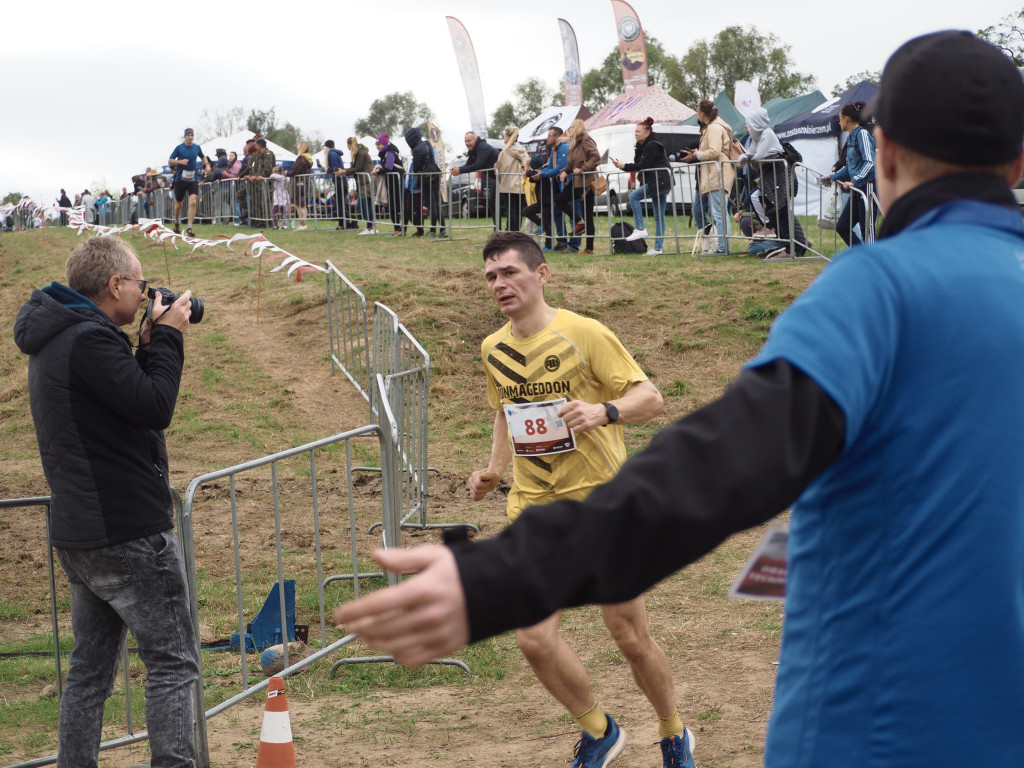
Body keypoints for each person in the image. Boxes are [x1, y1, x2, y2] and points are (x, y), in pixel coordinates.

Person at [335, 30, 1024, 768]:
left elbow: (718, 466)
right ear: (1017, 162)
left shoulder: (878, 292)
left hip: (882, 730)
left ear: (882, 153)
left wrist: (499, 575)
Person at [355, 230, 696, 768]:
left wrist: (604, 412)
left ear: (541, 274)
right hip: (534, 510)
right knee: (533, 640)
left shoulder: (585, 333)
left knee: (628, 635)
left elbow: (648, 397)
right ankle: (600, 731)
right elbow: (504, 410)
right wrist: (493, 470)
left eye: (510, 272)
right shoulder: (494, 348)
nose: (499, 284)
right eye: (491, 276)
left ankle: (672, 730)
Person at [13, 237, 199, 768]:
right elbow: (154, 406)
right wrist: (166, 339)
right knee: (173, 662)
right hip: (127, 530)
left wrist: (145, 344)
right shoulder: (90, 341)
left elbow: (122, 407)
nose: (145, 296)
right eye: (141, 285)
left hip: (83, 531)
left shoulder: (61, 337)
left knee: (90, 672)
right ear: (115, 284)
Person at [739, 109, 808, 259]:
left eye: (750, 123)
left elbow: (760, 157)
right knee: (757, 199)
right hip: (770, 178)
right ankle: (774, 230)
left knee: (780, 211)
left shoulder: (767, 134)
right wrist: (749, 154)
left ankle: (790, 247)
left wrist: (748, 157)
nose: (748, 127)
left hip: (780, 177)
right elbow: (755, 162)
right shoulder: (758, 138)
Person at [681, 100, 735, 254]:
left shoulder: (713, 128)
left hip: (717, 174)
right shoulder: (712, 127)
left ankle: (723, 247)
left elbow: (715, 152)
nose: (697, 114)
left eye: (698, 111)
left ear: (703, 113)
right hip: (715, 173)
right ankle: (723, 246)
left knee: (719, 213)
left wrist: (698, 154)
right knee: (719, 212)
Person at [613, 117, 671, 256]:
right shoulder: (643, 145)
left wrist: (624, 166)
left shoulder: (653, 145)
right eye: (635, 131)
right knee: (659, 217)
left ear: (647, 132)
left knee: (633, 196)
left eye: (638, 131)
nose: (636, 133)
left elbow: (644, 165)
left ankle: (640, 228)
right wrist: (638, 148)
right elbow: (638, 162)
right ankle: (658, 248)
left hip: (659, 181)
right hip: (658, 182)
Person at [826, 102, 876, 246]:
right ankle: (862, 258)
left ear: (847, 119)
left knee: (868, 232)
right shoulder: (850, 138)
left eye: (840, 118)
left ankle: (875, 265)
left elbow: (870, 163)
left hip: (867, 188)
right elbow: (849, 167)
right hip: (857, 189)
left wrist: (855, 181)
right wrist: (832, 177)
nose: (838, 121)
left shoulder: (863, 134)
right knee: (842, 227)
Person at [555, 118, 601, 255]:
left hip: (587, 182)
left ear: (579, 127)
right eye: (569, 127)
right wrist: (564, 171)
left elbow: (596, 157)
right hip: (576, 182)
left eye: (571, 127)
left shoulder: (586, 139)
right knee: (559, 200)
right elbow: (571, 165)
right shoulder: (574, 143)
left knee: (588, 215)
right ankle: (579, 222)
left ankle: (589, 248)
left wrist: (583, 169)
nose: (569, 129)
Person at [528, 127, 569, 251]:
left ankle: (573, 245)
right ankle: (562, 242)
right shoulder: (554, 150)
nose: (547, 138)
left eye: (549, 135)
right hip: (558, 185)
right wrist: (539, 172)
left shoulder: (564, 148)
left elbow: (559, 168)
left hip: (567, 184)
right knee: (557, 213)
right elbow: (551, 167)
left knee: (573, 216)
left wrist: (543, 174)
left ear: (556, 137)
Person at [168, 127, 209, 236]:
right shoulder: (179, 148)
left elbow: (203, 157)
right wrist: (180, 162)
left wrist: (207, 165)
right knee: (178, 204)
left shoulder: (197, 147)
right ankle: (176, 223)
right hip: (180, 180)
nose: (190, 137)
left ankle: (189, 228)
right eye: (188, 136)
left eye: (192, 135)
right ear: (185, 137)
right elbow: (170, 160)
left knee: (193, 201)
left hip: (193, 179)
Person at [404, 127, 444, 238]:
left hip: (426, 178)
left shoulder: (416, 149)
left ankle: (432, 231)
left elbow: (416, 168)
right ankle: (443, 230)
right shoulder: (427, 143)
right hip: (435, 173)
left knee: (432, 206)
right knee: (437, 204)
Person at [451, 131, 499, 222]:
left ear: (476, 140)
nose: (467, 143)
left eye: (469, 141)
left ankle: (507, 230)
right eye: (465, 141)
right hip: (498, 178)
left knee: (508, 205)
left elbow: (478, 165)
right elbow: (468, 164)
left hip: (505, 177)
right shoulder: (473, 150)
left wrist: (460, 170)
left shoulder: (482, 147)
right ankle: (498, 230)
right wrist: (457, 169)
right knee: (493, 204)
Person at [494, 126, 529, 232]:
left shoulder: (505, 151)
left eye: (505, 135)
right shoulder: (521, 150)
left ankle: (512, 232)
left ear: (509, 136)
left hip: (507, 184)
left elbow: (498, 167)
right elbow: (527, 162)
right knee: (516, 211)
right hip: (517, 184)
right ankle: (514, 231)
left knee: (512, 211)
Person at [238, 137, 276, 227]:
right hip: (258, 183)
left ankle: (266, 222)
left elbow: (268, 169)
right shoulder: (260, 155)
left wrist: (256, 176)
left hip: (266, 183)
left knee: (265, 203)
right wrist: (252, 176)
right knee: (259, 203)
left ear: (259, 145)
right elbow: (257, 169)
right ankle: (260, 221)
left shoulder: (267, 154)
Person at [372, 132, 405, 235]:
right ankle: (397, 229)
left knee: (395, 206)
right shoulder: (385, 153)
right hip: (391, 182)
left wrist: (378, 171)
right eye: (376, 145)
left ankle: (399, 229)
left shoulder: (390, 152)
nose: (377, 147)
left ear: (385, 144)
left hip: (396, 182)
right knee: (392, 206)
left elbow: (389, 167)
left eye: (379, 144)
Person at [346, 137, 377, 235]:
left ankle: (370, 227)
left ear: (349, 145)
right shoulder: (358, 153)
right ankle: (370, 226)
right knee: (362, 205)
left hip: (367, 181)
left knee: (366, 205)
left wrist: (345, 171)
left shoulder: (360, 153)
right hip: (363, 182)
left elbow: (357, 168)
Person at [324, 139, 354, 230]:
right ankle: (344, 223)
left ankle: (348, 222)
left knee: (340, 204)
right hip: (341, 180)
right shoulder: (335, 153)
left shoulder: (331, 154)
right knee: (341, 203)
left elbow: (335, 168)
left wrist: (327, 170)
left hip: (339, 179)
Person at [286, 141, 313, 230]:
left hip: (300, 183)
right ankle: (303, 223)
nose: (297, 147)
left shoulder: (301, 158)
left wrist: (288, 173)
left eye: (298, 145)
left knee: (299, 204)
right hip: (306, 182)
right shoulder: (308, 159)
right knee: (303, 205)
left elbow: (296, 171)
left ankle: (303, 224)